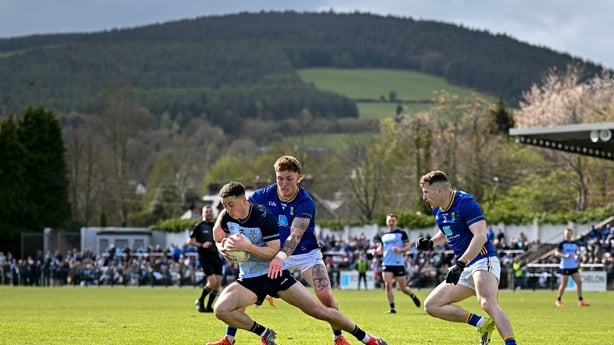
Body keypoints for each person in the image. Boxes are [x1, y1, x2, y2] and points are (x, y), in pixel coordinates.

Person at [207, 181, 387, 345]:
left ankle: (367, 339)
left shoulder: (264, 218)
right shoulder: (226, 216)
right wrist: (224, 250)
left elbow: (272, 253)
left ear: (244, 201)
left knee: (319, 311)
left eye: (231, 205)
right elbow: (217, 236)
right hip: (248, 280)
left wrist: (246, 247)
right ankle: (263, 333)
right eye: (225, 206)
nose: (228, 209)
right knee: (221, 310)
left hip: (274, 275)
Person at [416, 170, 517, 345]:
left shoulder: (465, 202)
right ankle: (481, 323)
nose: (424, 197)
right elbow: (446, 230)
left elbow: (480, 236)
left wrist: (461, 263)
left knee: (487, 303)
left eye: (426, 192)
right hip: (463, 266)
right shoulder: (438, 210)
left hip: (482, 260)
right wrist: (431, 243)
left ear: (439, 191)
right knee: (431, 305)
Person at [373, 213, 421, 313]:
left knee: (403, 288)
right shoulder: (384, 236)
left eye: (393, 221)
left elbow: (408, 247)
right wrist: (377, 251)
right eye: (389, 220)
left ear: (396, 222)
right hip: (386, 263)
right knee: (388, 285)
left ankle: (412, 295)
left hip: (398, 264)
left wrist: (400, 250)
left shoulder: (402, 233)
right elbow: (381, 247)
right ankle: (392, 308)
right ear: (386, 222)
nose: (391, 222)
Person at [188, 205, 223, 313]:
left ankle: (208, 306)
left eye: (210, 211)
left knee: (217, 284)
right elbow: (190, 241)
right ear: (203, 214)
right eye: (206, 211)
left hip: (215, 256)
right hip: (204, 257)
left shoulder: (215, 225)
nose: (209, 213)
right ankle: (200, 300)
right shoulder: (199, 226)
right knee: (212, 282)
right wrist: (201, 245)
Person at [554, 227, 590, 307]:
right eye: (566, 234)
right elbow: (556, 253)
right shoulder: (562, 244)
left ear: (571, 234)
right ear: (564, 234)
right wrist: (564, 255)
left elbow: (576, 253)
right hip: (565, 267)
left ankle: (581, 301)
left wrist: (578, 258)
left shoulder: (574, 244)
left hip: (573, 266)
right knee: (564, 284)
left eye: (569, 234)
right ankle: (558, 300)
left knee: (579, 282)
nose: (568, 235)